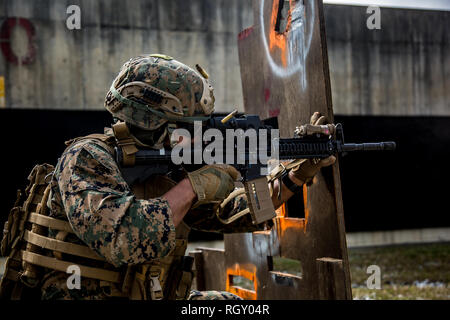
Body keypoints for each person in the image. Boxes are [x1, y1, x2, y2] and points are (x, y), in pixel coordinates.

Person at [24, 54, 336, 300]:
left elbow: (227, 213)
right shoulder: (87, 159)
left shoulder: (168, 164)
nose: (197, 133)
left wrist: (296, 173)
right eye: (189, 125)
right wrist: (194, 186)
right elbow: (123, 241)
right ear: (157, 123)